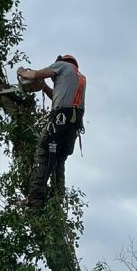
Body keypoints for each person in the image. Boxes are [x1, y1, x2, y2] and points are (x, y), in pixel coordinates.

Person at [17, 53, 86, 207]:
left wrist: (21, 71)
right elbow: (56, 96)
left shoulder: (62, 65)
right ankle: (57, 199)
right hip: (72, 127)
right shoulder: (79, 78)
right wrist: (44, 87)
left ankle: (35, 198)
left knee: (43, 154)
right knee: (59, 161)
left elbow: (34, 75)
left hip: (58, 122)